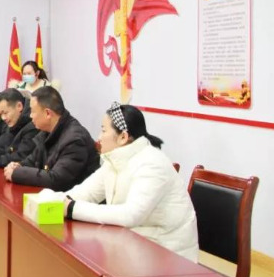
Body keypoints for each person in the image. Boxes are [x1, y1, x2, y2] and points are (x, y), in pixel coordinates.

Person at [59, 103, 199, 261]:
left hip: (168, 254)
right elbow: (85, 192)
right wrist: (52, 201)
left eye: (104, 131)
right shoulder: (114, 161)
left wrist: (71, 208)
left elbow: (131, 215)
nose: (99, 137)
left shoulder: (152, 163)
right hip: (134, 245)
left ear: (123, 137)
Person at [4, 87, 99, 191]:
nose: (30, 116)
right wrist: (18, 165)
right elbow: (33, 160)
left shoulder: (75, 140)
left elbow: (57, 179)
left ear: (48, 113)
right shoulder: (47, 131)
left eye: (33, 111)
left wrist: (17, 174)